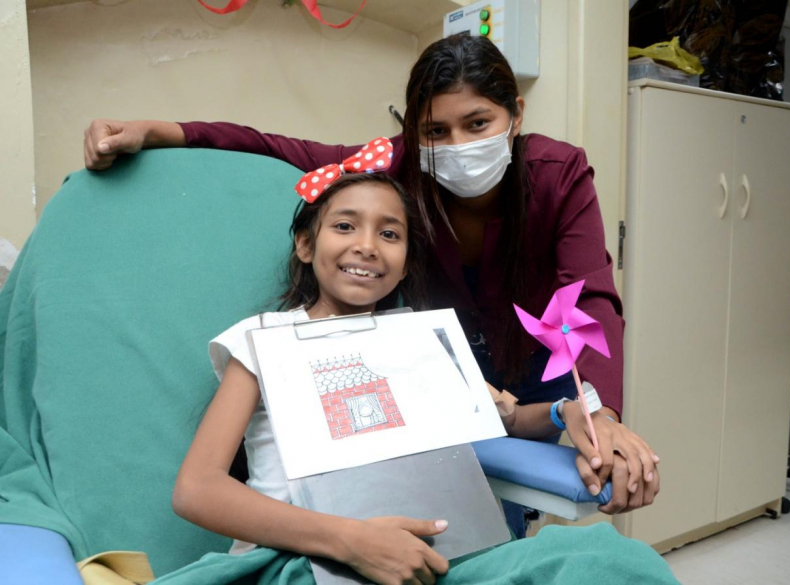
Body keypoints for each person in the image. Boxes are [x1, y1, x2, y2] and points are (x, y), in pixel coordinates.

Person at [83, 35, 660, 523]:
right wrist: (160, 130)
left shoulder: (556, 175)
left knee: (496, 520)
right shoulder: (392, 171)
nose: (457, 146)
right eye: (435, 130)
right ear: (306, 244)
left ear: (516, 115)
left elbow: (590, 299)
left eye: (478, 123)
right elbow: (280, 148)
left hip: (535, 360)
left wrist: (595, 412)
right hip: (438, 377)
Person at [162, 168, 679, 585]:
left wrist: (568, 409)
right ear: (304, 245)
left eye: (389, 234)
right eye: (344, 226)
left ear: (407, 263)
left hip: (439, 553)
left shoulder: (420, 339)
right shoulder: (262, 339)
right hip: (306, 558)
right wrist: (349, 541)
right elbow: (197, 488)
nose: (367, 245)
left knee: (612, 560)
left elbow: (506, 419)